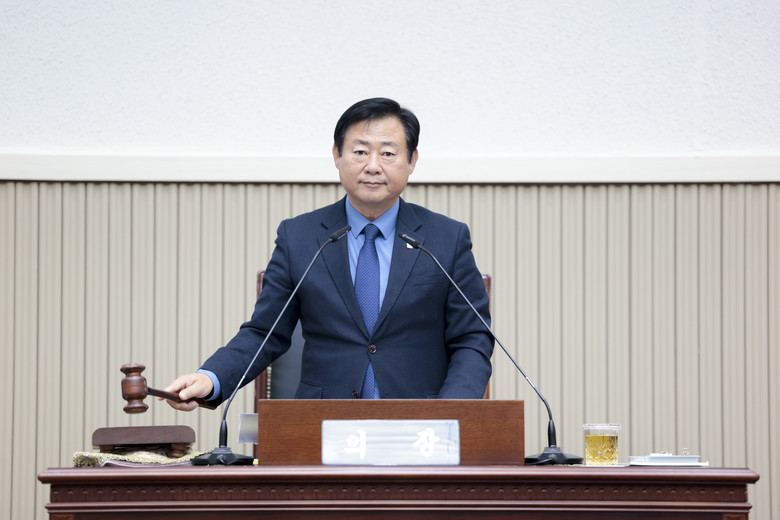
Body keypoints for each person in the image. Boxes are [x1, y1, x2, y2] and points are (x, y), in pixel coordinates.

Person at [164, 97, 493, 410]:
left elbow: (472, 337)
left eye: (388, 153)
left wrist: (450, 413)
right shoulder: (300, 237)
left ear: (412, 161)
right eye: (360, 152)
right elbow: (265, 332)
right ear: (337, 155)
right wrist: (210, 377)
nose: (373, 166)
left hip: (421, 427)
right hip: (322, 425)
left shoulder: (446, 238)